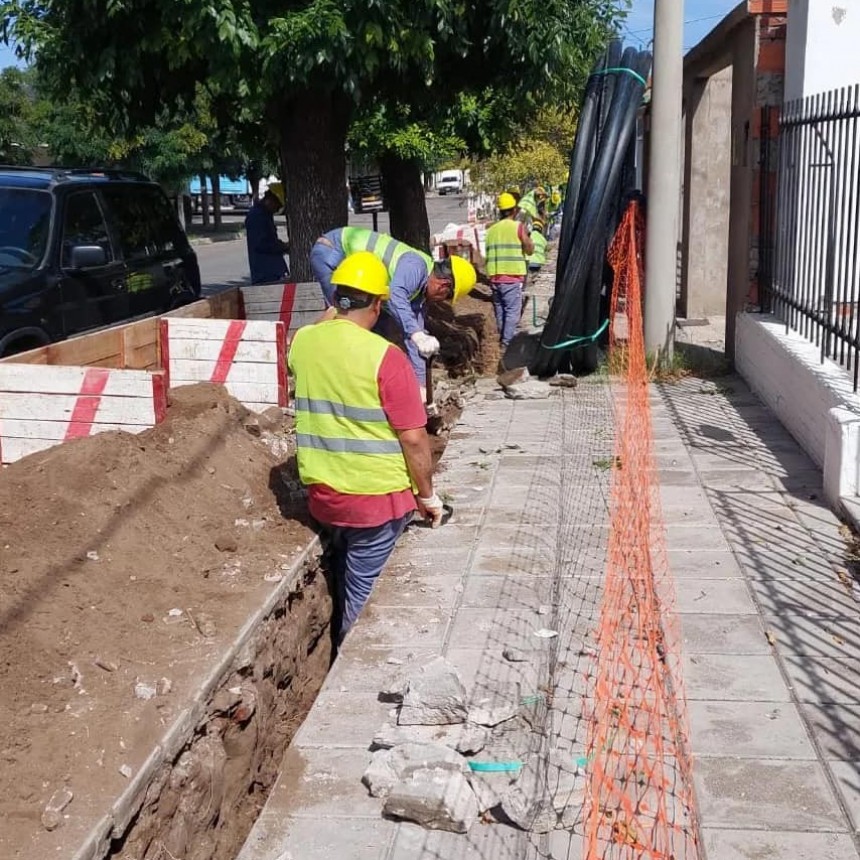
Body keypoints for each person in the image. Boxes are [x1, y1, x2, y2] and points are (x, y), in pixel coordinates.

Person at [288, 251, 445, 643]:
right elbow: (413, 438)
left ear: (336, 297)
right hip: (376, 501)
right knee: (363, 594)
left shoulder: (303, 343)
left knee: (342, 568)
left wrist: (334, 310)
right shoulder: (386, 358)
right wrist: (428, 497)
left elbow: (319, 332)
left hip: (325, 497)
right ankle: (349, 661)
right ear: (378, 304)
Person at [309, 227, 477, 392]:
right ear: (444, 285)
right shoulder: (416, 266)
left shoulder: (418, 293)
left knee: (378, 325)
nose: (441, 301)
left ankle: (366, 377)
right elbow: (396, 297)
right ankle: (328, 373)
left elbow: (413, 339)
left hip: (344, 258)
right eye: (446, 297)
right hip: (333, 251)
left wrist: (422, 388)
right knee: (345, 317)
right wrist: (416, 334)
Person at [485, 192, 533, 350]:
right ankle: (507, 345)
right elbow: (529, 249)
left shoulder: (491, 230)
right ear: (514, 210)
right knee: (512, 311)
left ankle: (502, 337)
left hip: (495, 278)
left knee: (500, 310)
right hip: (511, 277)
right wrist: (528, 241)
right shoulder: (518, 227)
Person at [245, 183, 288, 284]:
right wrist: (283, 246)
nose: (278, 209)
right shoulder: (256, 216)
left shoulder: (264, 214)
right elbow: (262, 244)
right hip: (265, 273)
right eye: (278, 205)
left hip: (271, 270)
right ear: (270, 200)